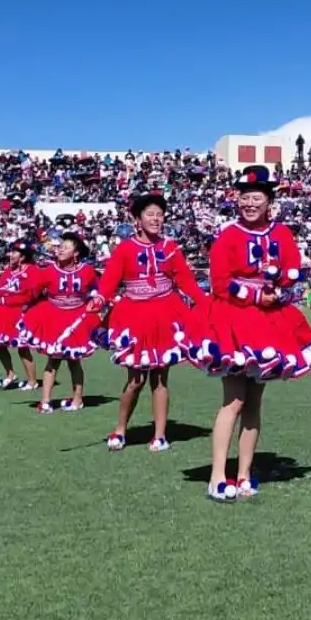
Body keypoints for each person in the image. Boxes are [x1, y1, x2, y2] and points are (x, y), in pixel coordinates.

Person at [182, 166, 311, 501]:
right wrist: (258, 295)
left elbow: (292, 272)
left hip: (270, 322)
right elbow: (220, 282)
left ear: (269, 201)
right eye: (244, 196)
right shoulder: (228, 235)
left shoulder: (282, 234)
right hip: (233, 320)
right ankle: (218, 475)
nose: (249, 202)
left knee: (254, 403)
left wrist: (281, 290)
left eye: (256, 197)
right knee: (233, 399)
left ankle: (244, 473)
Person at [96, 192, 209, 453]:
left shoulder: (170, 248)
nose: (155, 219)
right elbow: (109, 281)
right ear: (137, 219)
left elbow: (186, 281)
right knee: (135, 379)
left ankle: (159, 435)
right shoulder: (124, 248)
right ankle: (121, 429)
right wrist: (99, 299)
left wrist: (205, 303)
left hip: (166, 313)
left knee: (160, 378)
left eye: (159, 214)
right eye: (150, 214)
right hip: (134, 314)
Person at [18, 232, 102, 413]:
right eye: (60, 246)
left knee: (74, 361)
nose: (61, 249)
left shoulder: (87, 271)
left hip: (77, 318)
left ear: (76, 253)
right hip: (54, 316)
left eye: (66, 247)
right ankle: (46, 400)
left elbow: (97, 289)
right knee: (53, 359)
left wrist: (93, 301)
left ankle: (77, 399)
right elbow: (33, 291)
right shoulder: (49, 270)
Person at [0, 242, 42, 390]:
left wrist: (2, 299)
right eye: (11, 252)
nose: (10, 255)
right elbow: (1, 289)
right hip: (2, 312)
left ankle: (32, 381)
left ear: (23, 256)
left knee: (22, 347)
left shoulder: (33, 271)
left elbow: (29, 296)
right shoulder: (9, 271)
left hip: (21, 312)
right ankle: (10, 374)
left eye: (14, 253)